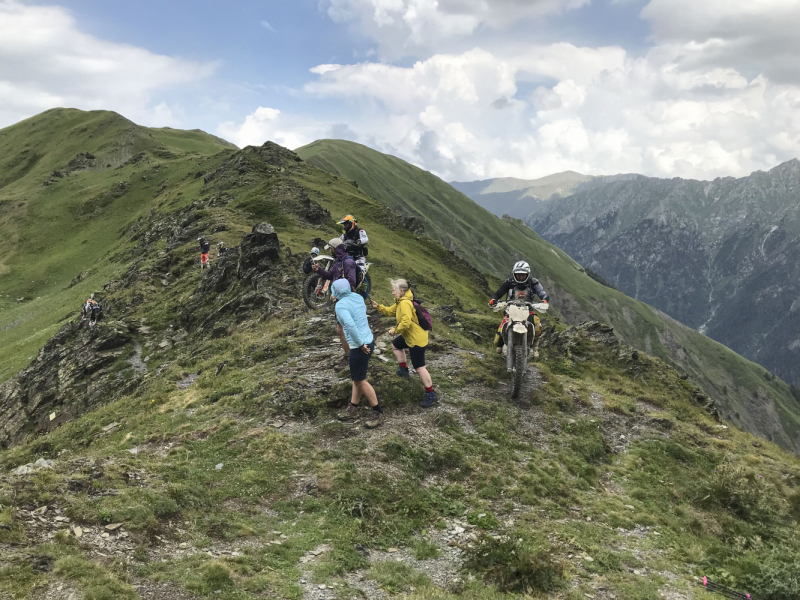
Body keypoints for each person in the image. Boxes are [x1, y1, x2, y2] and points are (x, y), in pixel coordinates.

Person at [372, 279, 438, 408]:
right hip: (413, 336)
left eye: (393, 290)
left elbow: (406, 321)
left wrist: (394, 331)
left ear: (401, 291)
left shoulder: (404, 304)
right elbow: (391, 311)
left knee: (420, 367)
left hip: (416, 339)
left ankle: (431, 394)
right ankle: (403, 369)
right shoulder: (401, 301)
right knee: (396, 345)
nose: (392, 292)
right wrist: (378, 307)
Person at [332, 279, 383, 428]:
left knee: (360, 380)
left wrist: (360, 344)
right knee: (357, 377)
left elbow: (350, 325)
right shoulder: (358, 297)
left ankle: (378, 412)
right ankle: (353, 407)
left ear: (335, 292)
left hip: (359, 346)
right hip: (369, 340)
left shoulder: (340, 306)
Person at [488, 261, 549, 359]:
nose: (520, 277)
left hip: (528, 310)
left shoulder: (533, 282)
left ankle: (535, 347)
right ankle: (501, 344)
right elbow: (499, 293)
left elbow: (542, 292)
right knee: (501, 329)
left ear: (527, 275)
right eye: (518, 275)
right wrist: (494, 299)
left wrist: (545, 299)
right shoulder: (509, 282)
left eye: (523, 275)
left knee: (537, 325)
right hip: (511, 309)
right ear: (514, 274)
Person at [312, 238, 358, 368]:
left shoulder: (348, 262)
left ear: (336, 249)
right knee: (341, 329)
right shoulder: (338, 262)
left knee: (343, 328)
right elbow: (330, 275)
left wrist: (337, 292)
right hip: (339, 300)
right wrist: (318, 270)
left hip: (347, 300)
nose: (330, 251)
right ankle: (349, 355)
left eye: (331, 248)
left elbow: (351, 282)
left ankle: (351, 356)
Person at [338, 215, 369, 286]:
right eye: (344, 225)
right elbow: (339, 240)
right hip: (347, 256)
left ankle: (363, 289)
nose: (344, 226)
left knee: (360, 273)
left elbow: (365, 239)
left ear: (351, 223)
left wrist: (358, 241)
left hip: (358, 257)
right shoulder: (345, 234)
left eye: (346, 224)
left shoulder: (360, 231)